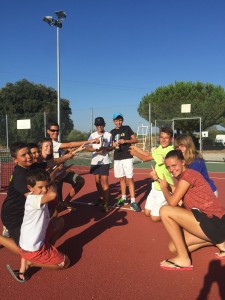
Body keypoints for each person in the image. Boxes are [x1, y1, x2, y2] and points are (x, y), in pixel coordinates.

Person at [152, 149, 225, 271]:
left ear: (183, 162)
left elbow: (172, 202)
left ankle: (183, 259)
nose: (171, 170)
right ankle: (220, 241)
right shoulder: (185, 177)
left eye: (174, 165)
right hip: (213, 223)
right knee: (173, 247)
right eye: (168, 167)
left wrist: (163, 188)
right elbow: (176, 191)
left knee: (165, 210)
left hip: (214, 221)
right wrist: (158, 180)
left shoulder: (188, 175)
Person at [7, 168, 69, 282]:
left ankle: (24, 265)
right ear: (30, 188)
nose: (44, 190)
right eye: (40, 187)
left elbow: (46, 184)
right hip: (32, 249)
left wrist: (55, 172)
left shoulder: (35, 194)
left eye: (46, 186)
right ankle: (31, 263)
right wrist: (54, 182)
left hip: (27, 243)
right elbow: (52, 195)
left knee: (59, 222)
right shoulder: (33, 199)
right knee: (64, 262)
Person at [130, 127, 174, 221]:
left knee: (154, 218)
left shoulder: (169, 151)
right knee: (147, 213)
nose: (163, 139)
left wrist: (134, 153)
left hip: (164, 186)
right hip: (155, 185)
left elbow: (145, 159)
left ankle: (170, 207)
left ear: (171, 139)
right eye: (162, 137)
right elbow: (148, 155)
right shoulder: (160, 148)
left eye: (166, 138)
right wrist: (136, 149)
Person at [38, 137, 85, 210]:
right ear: (41, 148)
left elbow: (64, 157)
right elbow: (49, 179)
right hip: (44, 185)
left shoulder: (51, 157)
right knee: (55, 203)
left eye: (50, 146)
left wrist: (77, 150)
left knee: (57, 206)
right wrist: (58, 170)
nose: (49, 148)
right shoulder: (39, 161)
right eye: (46, 146)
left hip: (55, 176)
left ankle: (62, 203)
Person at [110, 113, 141, 212]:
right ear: (113, 121)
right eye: (116, 120)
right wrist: (114, 144)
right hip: (117, 158)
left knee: (130, 178)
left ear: (122, 120)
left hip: (127, 156)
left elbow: (135, 140)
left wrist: (126, 141)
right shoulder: (112, 132)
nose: (118, 122)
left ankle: (133, 201)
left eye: (120, 120)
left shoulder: (127, 128)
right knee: (121, 179)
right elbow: (110, 146)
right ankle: (124, 198)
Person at [87, 117, 113, 212]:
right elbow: (88, 148)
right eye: (98, 125)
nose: (100, 126)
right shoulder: (92, 135)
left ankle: (106, 204)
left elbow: (111, 148)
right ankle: (101, 198)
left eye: (101, 124)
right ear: (95, 126)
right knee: (97, 181)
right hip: (95, 161)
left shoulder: (108, 135)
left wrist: (105, 149)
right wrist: (95, 150)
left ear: (104, 125)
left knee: (104, 182)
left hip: (104, 161)